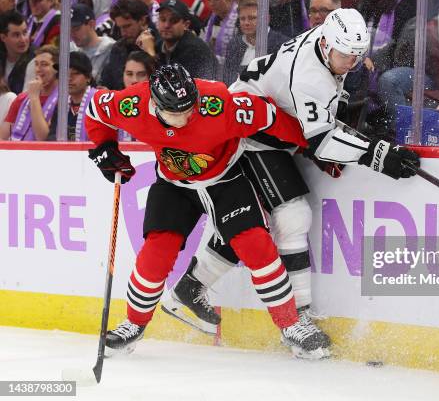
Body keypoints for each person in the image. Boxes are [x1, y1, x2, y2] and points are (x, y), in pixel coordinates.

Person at [162, 9, 421, 359]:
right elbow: (322, 141)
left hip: (267, 128)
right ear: (327, 43)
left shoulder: (328, 45)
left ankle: (189, 290)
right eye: (346, 55)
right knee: (292, 216)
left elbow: (318, 119)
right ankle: (297, 321)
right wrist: (378, 154)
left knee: (249, 225)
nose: (352, 62)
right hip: (250, 132)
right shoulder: (310, 76)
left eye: (358, 55)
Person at [86, 64, 324, 356]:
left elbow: (272, 117)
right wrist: (103, 148)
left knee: (256, 246)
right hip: (173, 184)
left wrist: (315, 148)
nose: (187, 117)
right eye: (176, 113)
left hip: (225, 180)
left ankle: (290, 325)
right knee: (156, 253)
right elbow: (95, 109)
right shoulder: (132, 105)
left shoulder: (220, 104)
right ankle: (133, 324)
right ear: (155, 104)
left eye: (190, 107)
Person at [135, 0, 217, 80]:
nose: (166, 25)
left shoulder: (194, 49)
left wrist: (151, 53)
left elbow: (170, 84)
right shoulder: (161, 41)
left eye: (173, 21)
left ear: (186, 25)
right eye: (163, 19)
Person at [222, 0, 287, 85]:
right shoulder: (234, 45)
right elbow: (227, 80)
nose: (246, 23)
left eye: (252, 18)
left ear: (266, 18)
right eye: (242, 19)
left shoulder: (282, 44)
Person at [99, 0, 153, 90]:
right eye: (120, 28)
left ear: (143, 20)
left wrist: (151, 52)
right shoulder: (118, 48)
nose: (123, 33)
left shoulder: (162, 44)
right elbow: (107, 82)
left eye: (127, 26)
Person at [70, 3, 115, 84]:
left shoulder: (110, 49)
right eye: (69, 30)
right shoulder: (69, 49)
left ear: (91, 24)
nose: (72, 34)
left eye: (76, 29)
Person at [0, 9, 35, 94]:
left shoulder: (35, 59)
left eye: (25, 32)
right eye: (16, 35)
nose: (23, 40)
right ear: (3, 38)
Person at [64, 51, 96, 141]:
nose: (70, 78)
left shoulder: (99, 103)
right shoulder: (61, 104)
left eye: (76, 73)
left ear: (88, 78)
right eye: (66, 73)